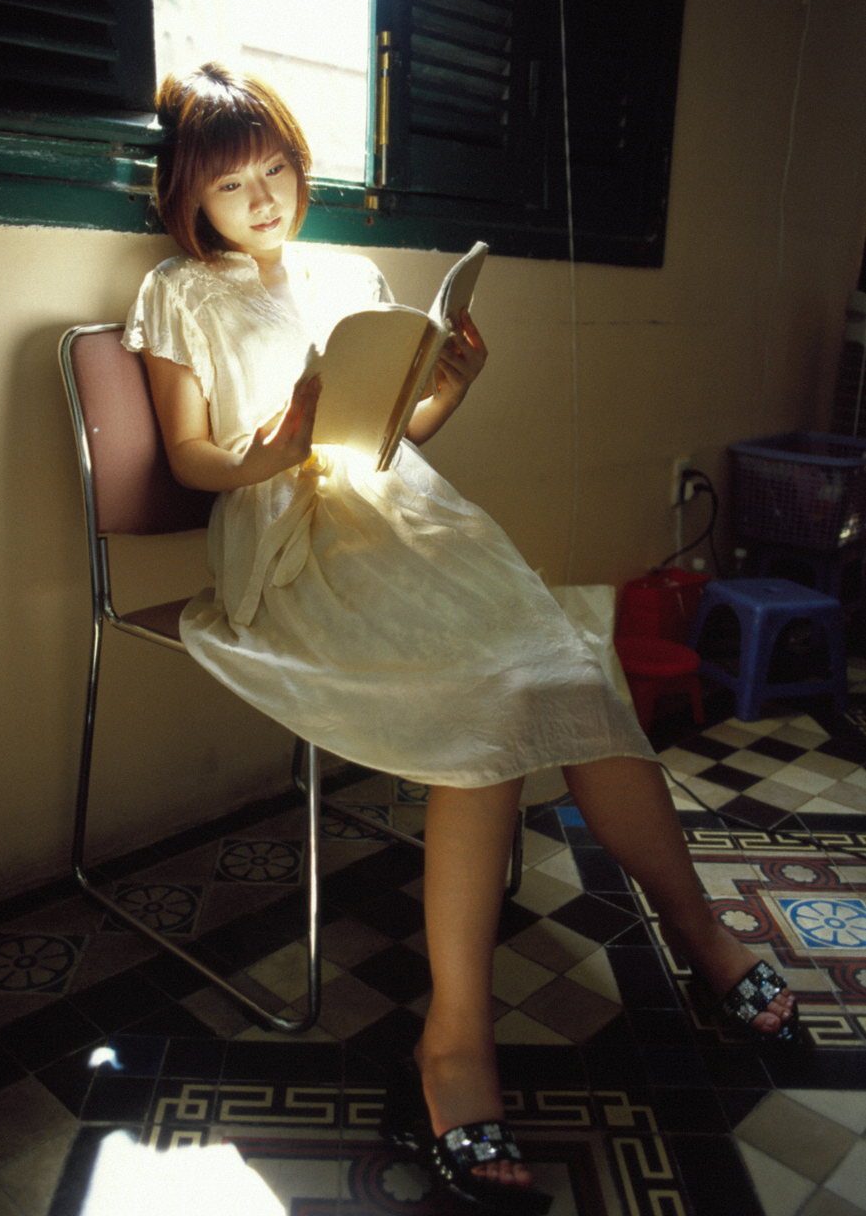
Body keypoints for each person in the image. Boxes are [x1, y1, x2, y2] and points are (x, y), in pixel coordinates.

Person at [124, 63, 799, 1214]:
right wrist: (281, 442)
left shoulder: (348, 277)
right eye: (231, 184)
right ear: (189, 198)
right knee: (491, 697)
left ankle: (700, 934)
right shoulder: (175, 291)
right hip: (287, 534)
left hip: (407, 514)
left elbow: (393, 431)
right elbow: (192, 457)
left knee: (567, 659)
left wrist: (454, 385)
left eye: (276, 168)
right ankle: (453, 1043)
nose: (263, 196)